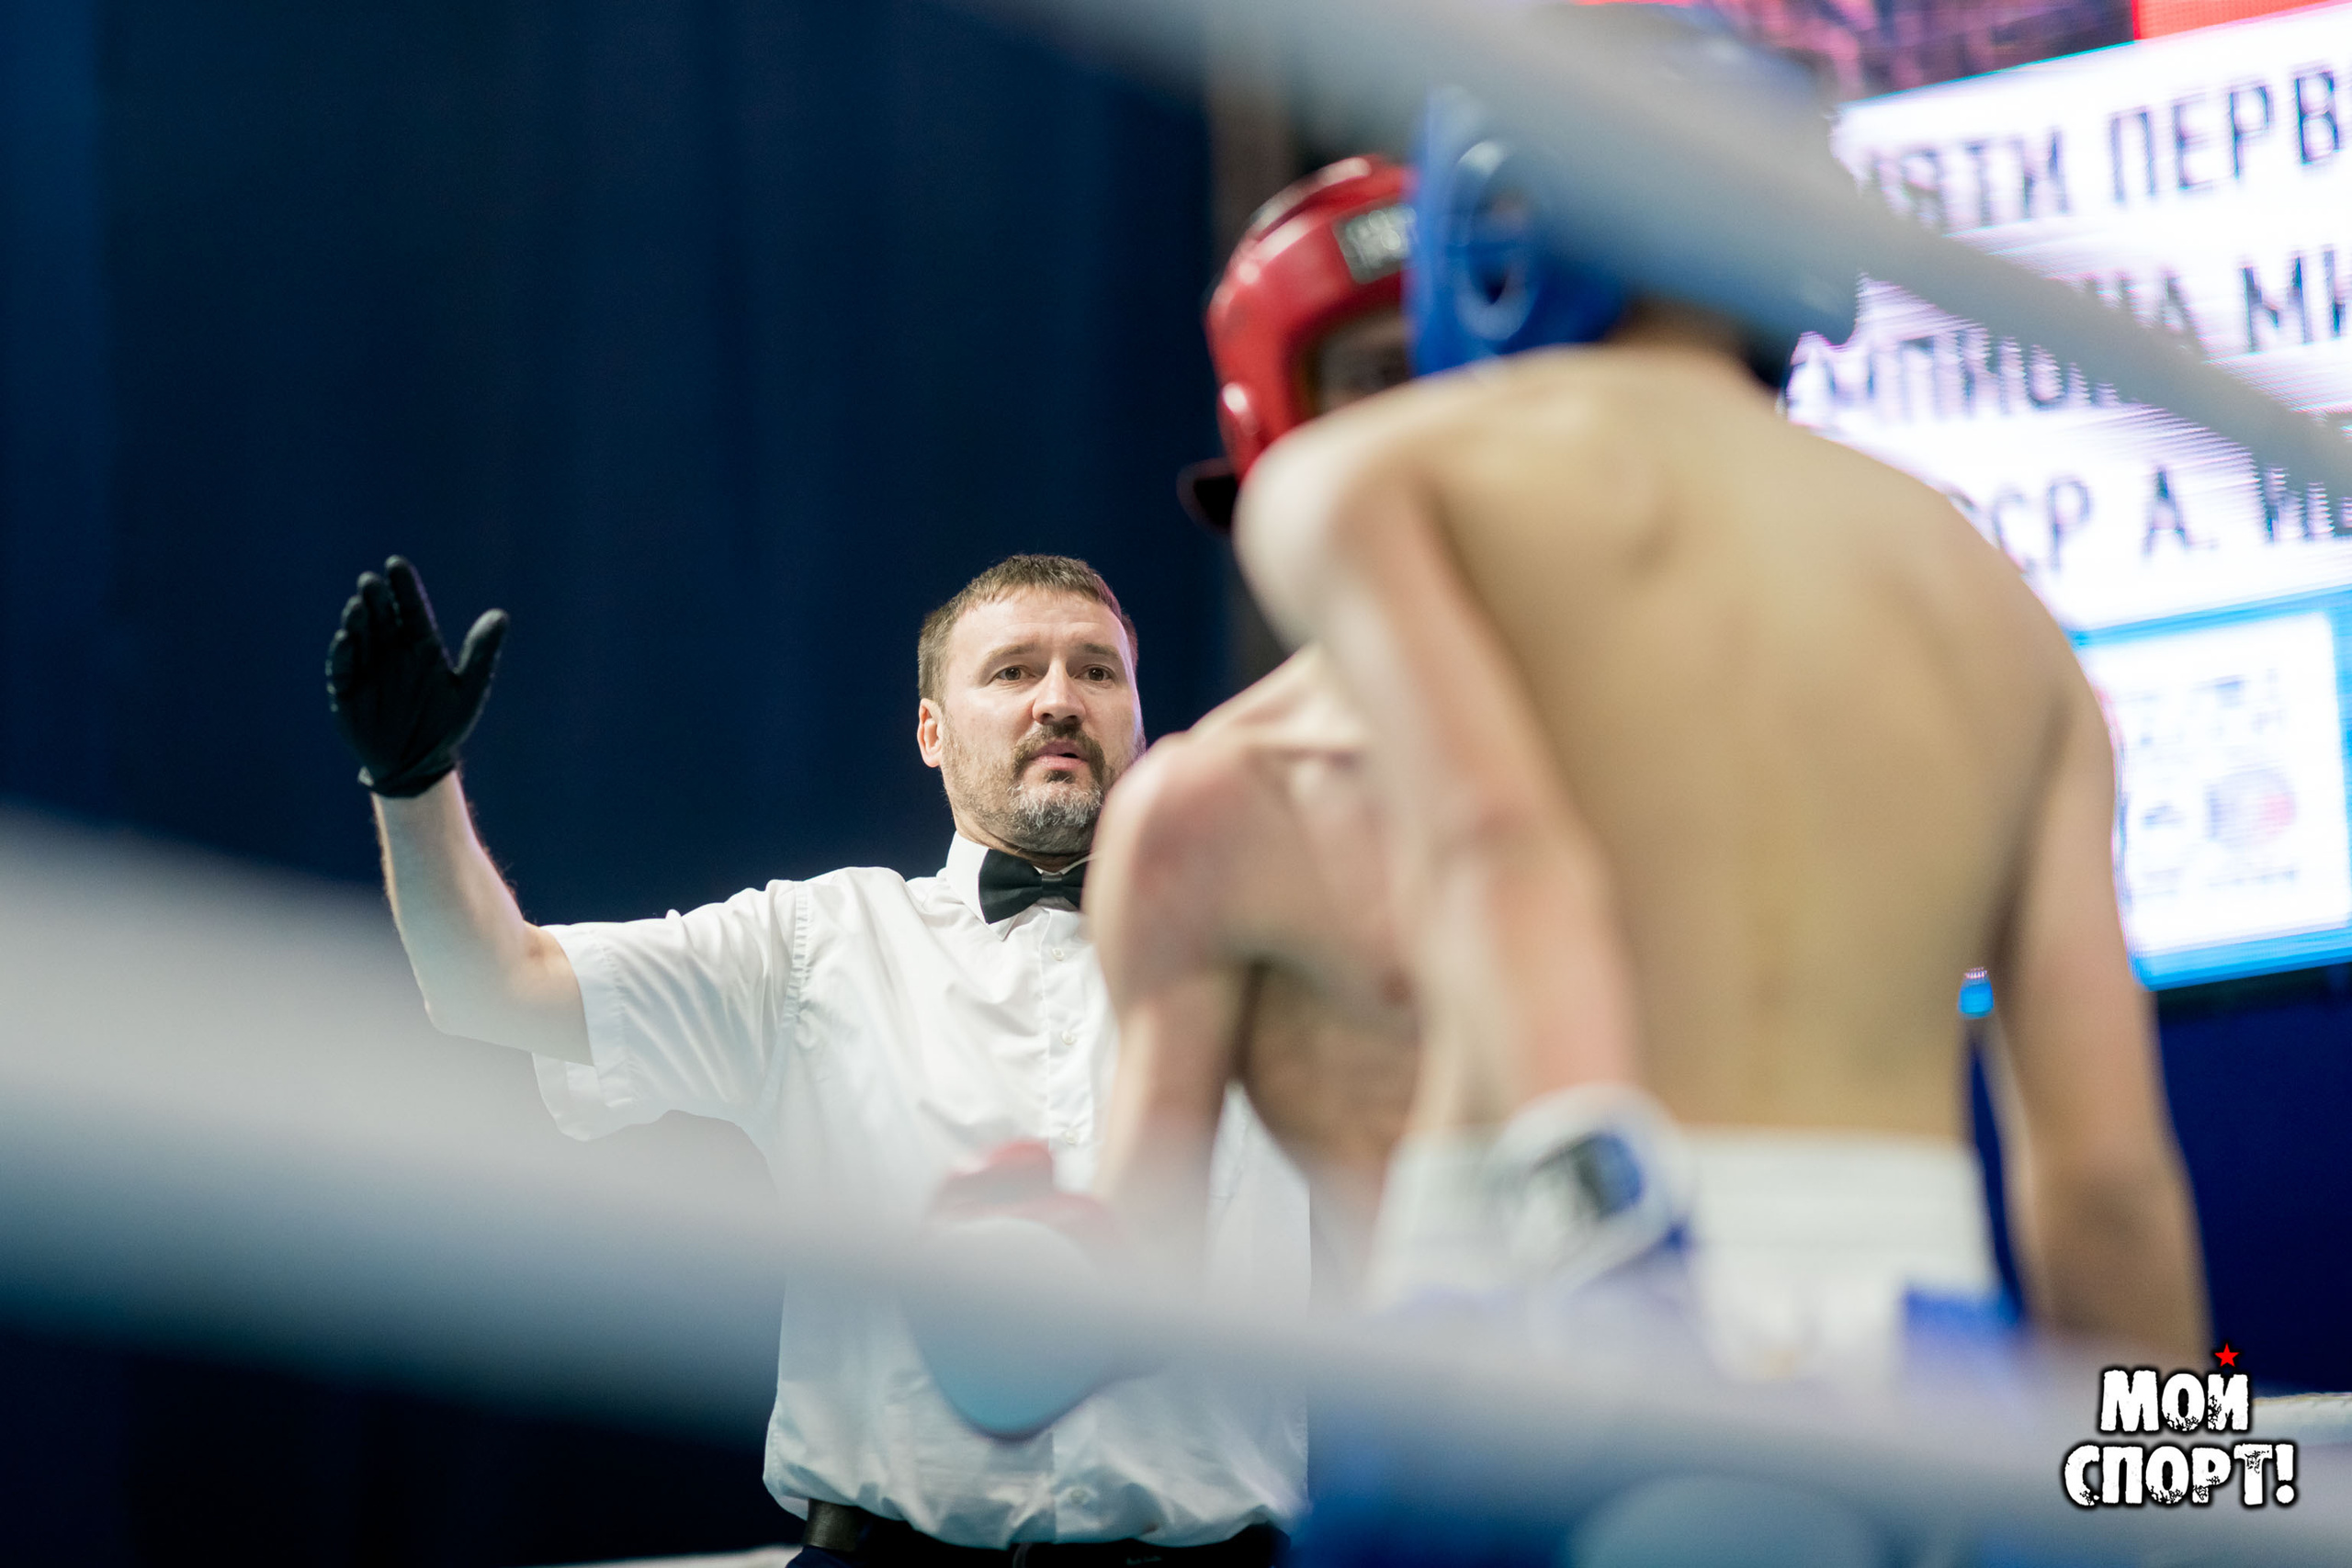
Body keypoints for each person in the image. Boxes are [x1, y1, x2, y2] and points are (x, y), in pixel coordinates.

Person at [1089, 6, 2208, 1380]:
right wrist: (2181, 1502)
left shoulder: (1378, 481)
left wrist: (1607, 1215)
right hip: (1914, 1351)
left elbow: (1499, 844)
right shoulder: (1994, 598)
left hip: (1532, 1303)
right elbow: (2108, 1187)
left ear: (1481, 222)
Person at [323, 552, 1303, 1565]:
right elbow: (494, 986)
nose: (1058, 699)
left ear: (1142, 722)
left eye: (1097, 672)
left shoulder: (1279, 960)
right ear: (932, 731)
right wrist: (413, 784)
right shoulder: (813, 943)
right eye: (1013, 671)